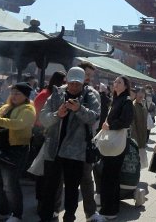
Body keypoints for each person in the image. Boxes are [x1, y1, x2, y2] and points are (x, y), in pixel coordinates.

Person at [39, 67, 101, 222]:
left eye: (77, 84)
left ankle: (69, 217)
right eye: (71, 83)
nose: (74, 87)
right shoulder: (57, 94)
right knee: (49, 188)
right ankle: (46, 216)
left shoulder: (90, 95)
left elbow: (94, 118)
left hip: (76, 151)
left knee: (72, 189)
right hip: (53, 148)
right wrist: (57, 114)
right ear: (66, 80)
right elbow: (43, 118)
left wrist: (79, 109)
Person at [0, 82, 36, 222]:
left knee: (10, 184)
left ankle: (17, 215)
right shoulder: (5, 107)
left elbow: (19, 123)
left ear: (25, 96)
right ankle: (2, 211)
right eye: (12, 92)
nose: (14, 95)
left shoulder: (29, 109)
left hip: (16, 150)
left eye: (18, 93)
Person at [99, 76, 134, 220]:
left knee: (111, 176)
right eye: (115, 82)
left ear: (126, 86)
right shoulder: (116, 100)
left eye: (120, 82)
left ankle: (110, 210)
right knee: (108, 175)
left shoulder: (126, 101)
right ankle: (107, 207)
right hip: (111, 142)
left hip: (116, 142)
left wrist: (110, 126)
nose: (116, 84)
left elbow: (125, 121)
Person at [32, 71, 66, 217]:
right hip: (43, 136)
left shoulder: (48, 93)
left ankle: (45, 204)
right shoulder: (47, 95)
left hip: (49, 136)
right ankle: (44, 203)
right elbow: (38, 116)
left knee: (47, 175)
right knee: (44, 173)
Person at [77, 61, 104, 222]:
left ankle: (91, 213)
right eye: (86, 74)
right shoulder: (62, 92)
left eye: (90, 75)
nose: (89, 78)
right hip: (62, 142)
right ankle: (53, 208)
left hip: (85, 142)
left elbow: (95, 118)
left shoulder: (93, 93)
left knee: (86, 179)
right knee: (58, 178)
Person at [131, 87, 149, 169]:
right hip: (136, 135)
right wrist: (134, 138)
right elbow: (133, 124)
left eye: (143, 92)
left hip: (142, 134)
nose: (141, 94)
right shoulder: (133, 105)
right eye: (140, 92)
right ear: (136, 94)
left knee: (140, 157)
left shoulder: (143, 105)